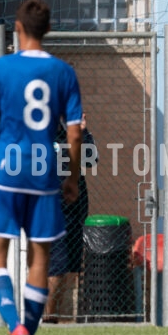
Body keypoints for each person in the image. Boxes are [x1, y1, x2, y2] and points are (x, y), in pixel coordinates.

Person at [0, 0, 82, 335]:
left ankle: (15, 326)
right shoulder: (64, 72)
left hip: (5, 173)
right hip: (44, 173)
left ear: (17, 27)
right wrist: (72, 178)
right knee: (39, 260)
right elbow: (75, 135)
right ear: (48, 31)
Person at [44, 113, 98, 324]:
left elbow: (91, 159)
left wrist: (82, 130)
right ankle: (49, 318)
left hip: (76, 208)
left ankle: (62, 317)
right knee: (56, 265)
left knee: (70, 266)